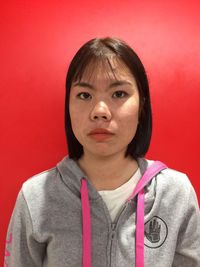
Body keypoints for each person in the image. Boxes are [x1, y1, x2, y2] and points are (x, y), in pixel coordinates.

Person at [4, 37, 200, 267]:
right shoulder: (36, 197)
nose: (100, 111)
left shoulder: (176, 194)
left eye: (119, 94)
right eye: (85, 95)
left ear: (142, 106)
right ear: (68, 106)